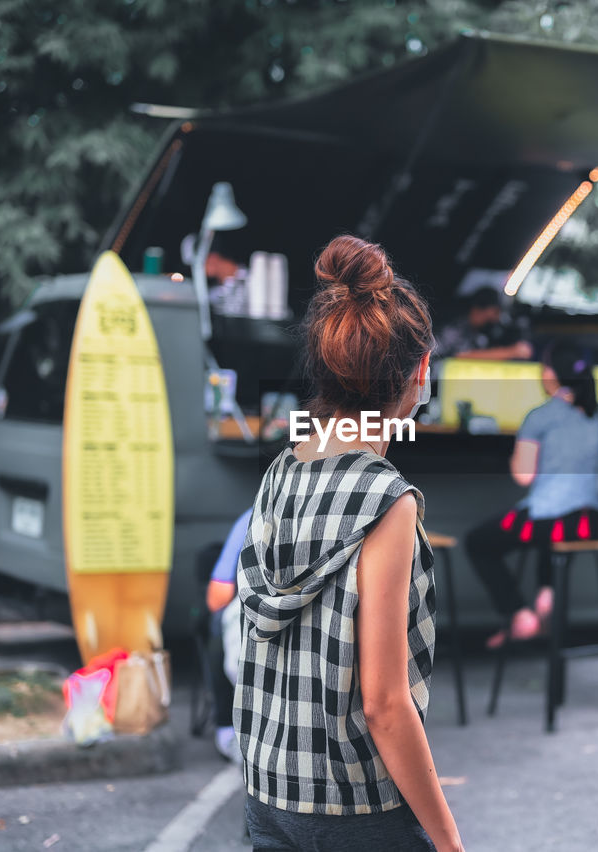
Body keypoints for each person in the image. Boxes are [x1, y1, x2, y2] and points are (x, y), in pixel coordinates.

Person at [230, 235, 463, 852]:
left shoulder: (279, 476)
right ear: (417, 374)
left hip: (269, 796)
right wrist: (449, 843)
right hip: (355, 808)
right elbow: (385, 705)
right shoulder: (388, 503)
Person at [465, 343, 598, 649]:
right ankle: (547, 594)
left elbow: (524, 476)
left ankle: (519, 613)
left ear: (552, 375)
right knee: (556, 532)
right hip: (594, 518)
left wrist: (515, 457)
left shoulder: (540, 416)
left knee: (480, 541)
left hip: (549, 517)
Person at [203, 507, 252, 761]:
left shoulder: (259, 512)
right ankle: (226, 723)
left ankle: (226, 723)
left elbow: (217, 597)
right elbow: (217, 596)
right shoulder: (256, 515)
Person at [435, 285, 532, 361]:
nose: (496, 318)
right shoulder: (455, 327)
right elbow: (462, 356)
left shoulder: (478, 333)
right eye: (495, 312)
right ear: (477, 309)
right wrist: (511, 352)